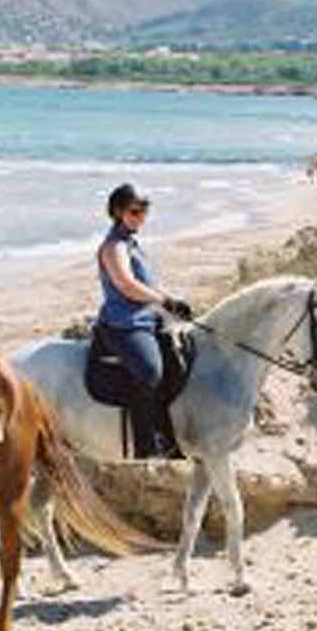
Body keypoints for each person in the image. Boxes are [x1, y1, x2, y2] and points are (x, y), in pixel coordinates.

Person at [96, 182, 195, 461]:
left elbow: (147, 284)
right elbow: (126, 285)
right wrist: (165, 302)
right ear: (117, 212)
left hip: (147, 318)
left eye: (144, 212)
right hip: (124, 324)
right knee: (150, 370)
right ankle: (145, 446)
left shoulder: (132, 244)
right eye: (135, 212)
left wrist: (172, 300)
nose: (141, 218)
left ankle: (170, 429)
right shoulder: (113, 247)